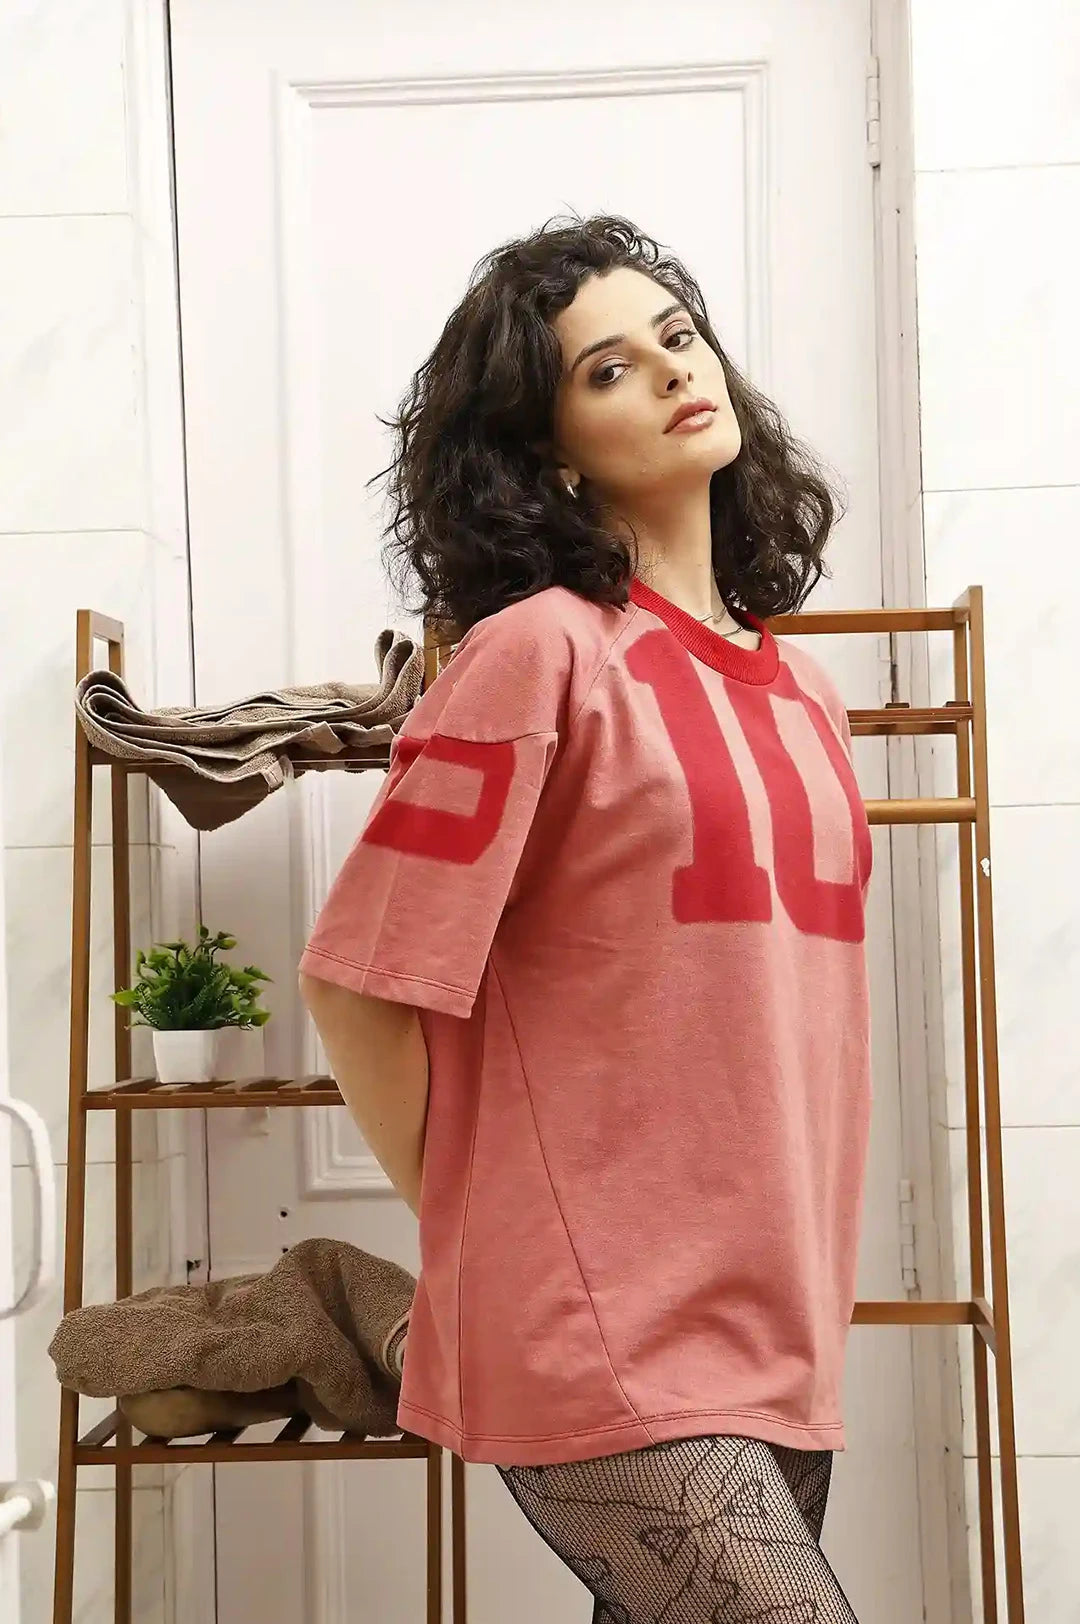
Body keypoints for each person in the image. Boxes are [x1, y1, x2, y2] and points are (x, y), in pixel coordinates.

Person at [299, 214, 873, 1622]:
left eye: (678, 335)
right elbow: (362, 977)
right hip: (603, 1319)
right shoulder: (537, 654)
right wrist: (489, 1228)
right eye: (609, 369)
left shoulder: (807, 696)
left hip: (778, 1308)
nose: (677, 370)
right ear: (548, 448)